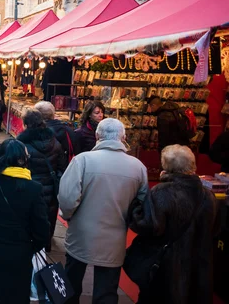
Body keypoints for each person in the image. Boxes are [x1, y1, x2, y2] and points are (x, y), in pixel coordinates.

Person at [58, 118, 148, 304]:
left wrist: (67, 215)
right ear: (123, 137)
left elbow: (67, 197)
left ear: (98, 135)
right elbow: (142, 203)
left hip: (81, 232)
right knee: (106, 290)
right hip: (114, 236)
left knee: (71, 282)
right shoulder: (137, 167)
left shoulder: (82, 160)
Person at [128, 145, 218, 304]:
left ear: (167, 167)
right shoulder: (208, 195)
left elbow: (147, 225)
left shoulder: (163, 192)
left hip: (168, 269)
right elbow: (215, 229)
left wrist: (135, 207)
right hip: (198, 268)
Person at [0, 139, 50, 303]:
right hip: (18, 258)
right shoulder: (33, 189)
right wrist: (28, 246)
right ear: (24, 161)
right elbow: (42, 232)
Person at [16, 109, 66, 251]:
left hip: (29, 185)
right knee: (49, 215)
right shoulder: (55, 142)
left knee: (30, 216)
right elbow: (62, 166)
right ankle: (46, 243)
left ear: (26, 124)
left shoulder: (21, 144)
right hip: (50, 187)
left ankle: (31, 245)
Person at [34, 100, 79, 168]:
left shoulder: (32, 133)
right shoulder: (68, 131)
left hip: (39, 173)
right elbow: (76, 151)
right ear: (53, 114)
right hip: (63, 172)